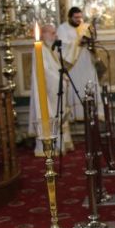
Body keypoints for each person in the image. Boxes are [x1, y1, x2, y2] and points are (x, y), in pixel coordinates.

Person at [27, 24, 74, 156]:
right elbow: (45, 71)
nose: (56, 36)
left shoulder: (49, 49)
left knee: (58, 114)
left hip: (53, 89)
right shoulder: (39, 49)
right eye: (52, 33)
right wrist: (60, 79)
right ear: (44, 34)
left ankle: (60, 145)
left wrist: (63, 77)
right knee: (50, 114)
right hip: (46, 91)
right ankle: (49, 147)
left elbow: (55, 68)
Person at [58, 6, 100, 120]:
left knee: (89, 83)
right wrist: (78, 42)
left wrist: (91, 39)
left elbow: (92, 40)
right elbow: (63, 45)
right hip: (73, 64)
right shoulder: (63, 28)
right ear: (69, 17)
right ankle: (76, 115)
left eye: (80, 17)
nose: (79, 20)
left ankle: (92, 113)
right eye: (76, 18)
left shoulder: (85, 27)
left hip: (86, 61)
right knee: (76, 85)